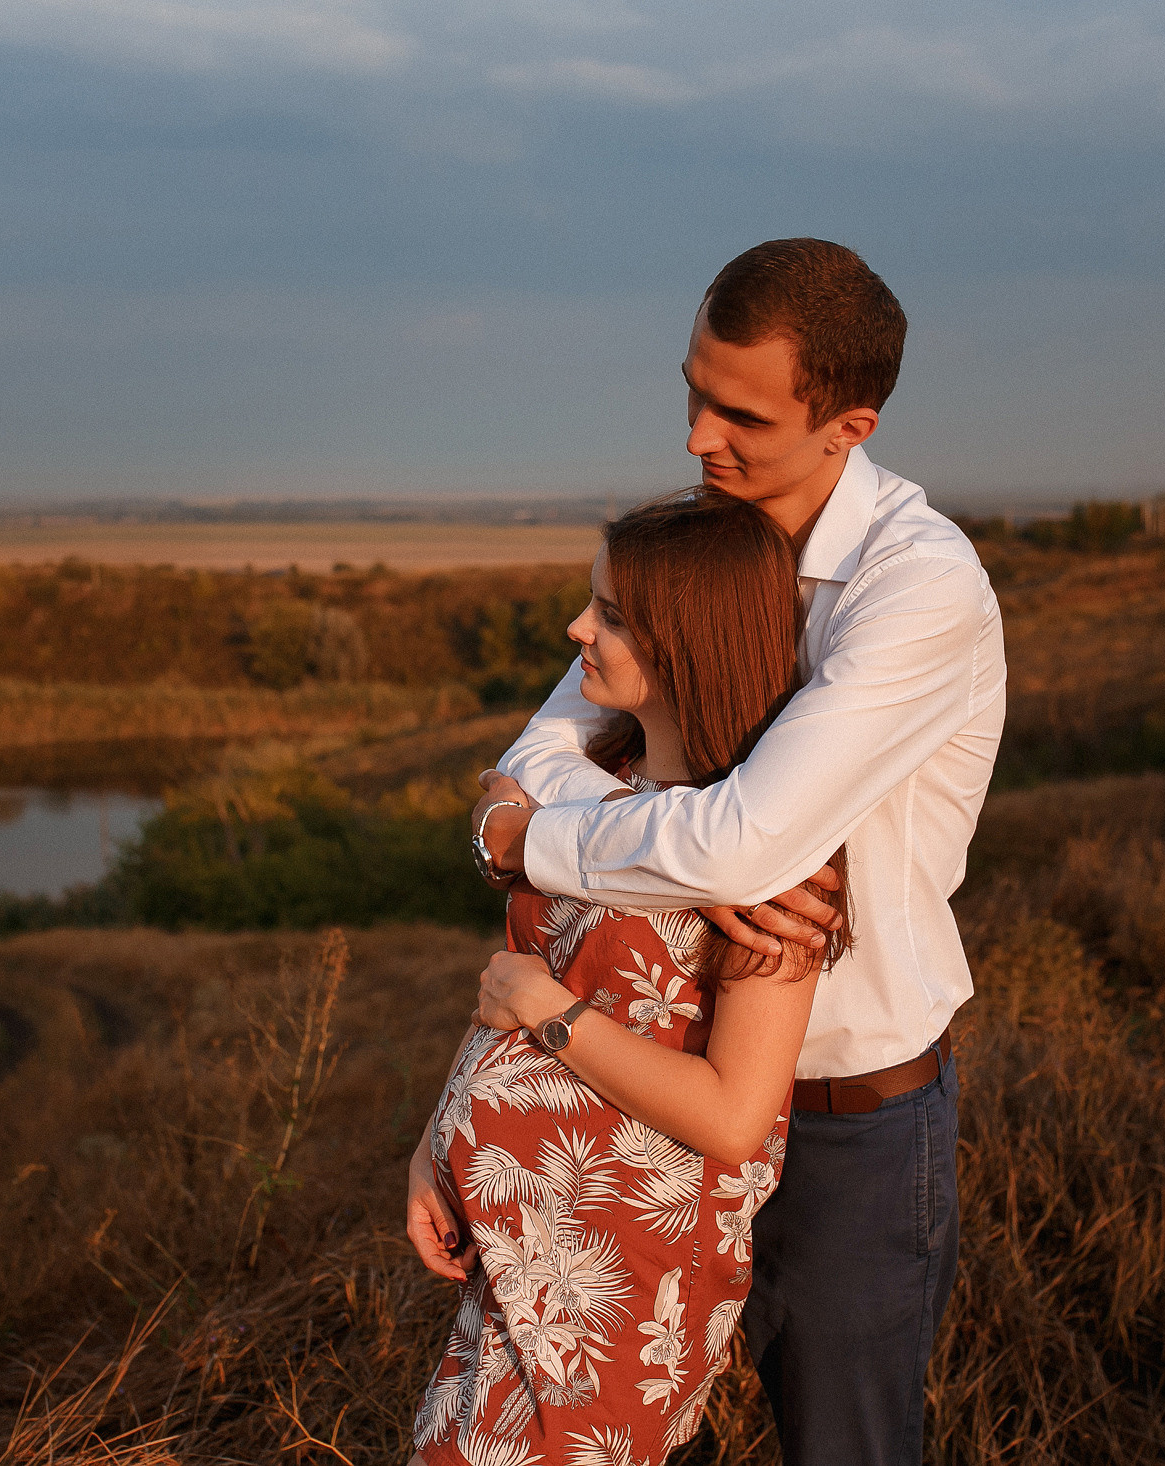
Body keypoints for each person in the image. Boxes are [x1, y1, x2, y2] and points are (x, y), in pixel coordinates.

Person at [450, 239, 1007, 1466]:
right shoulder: (698, 551)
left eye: (741, 412)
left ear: (846, 424)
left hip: (839, 1110)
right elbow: (533, 755)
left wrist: (528, 839)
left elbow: (741, 835)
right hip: (632, 1100)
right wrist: (512, 826)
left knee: (840, 1447)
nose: (700, 436)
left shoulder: (916, 586)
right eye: (692, 391)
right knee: (630, 1442)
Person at [404, 491, 851, 1466]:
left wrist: (552, 1014)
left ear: (685, 643)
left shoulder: (775, 867)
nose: (577, 630)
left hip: (612, 1289)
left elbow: (735, 1115)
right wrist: (439, 1144)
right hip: (509, 1245)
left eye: (609, 613)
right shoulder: (589, 778)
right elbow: (511, 985)